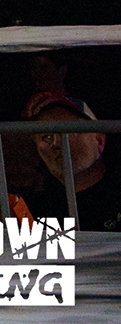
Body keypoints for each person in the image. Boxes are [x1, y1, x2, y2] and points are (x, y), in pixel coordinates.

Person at [25, 92, 120, 230]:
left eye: (68, 131)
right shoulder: (36, 210)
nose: (56, 143)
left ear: (99, 140)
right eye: (46, 136)